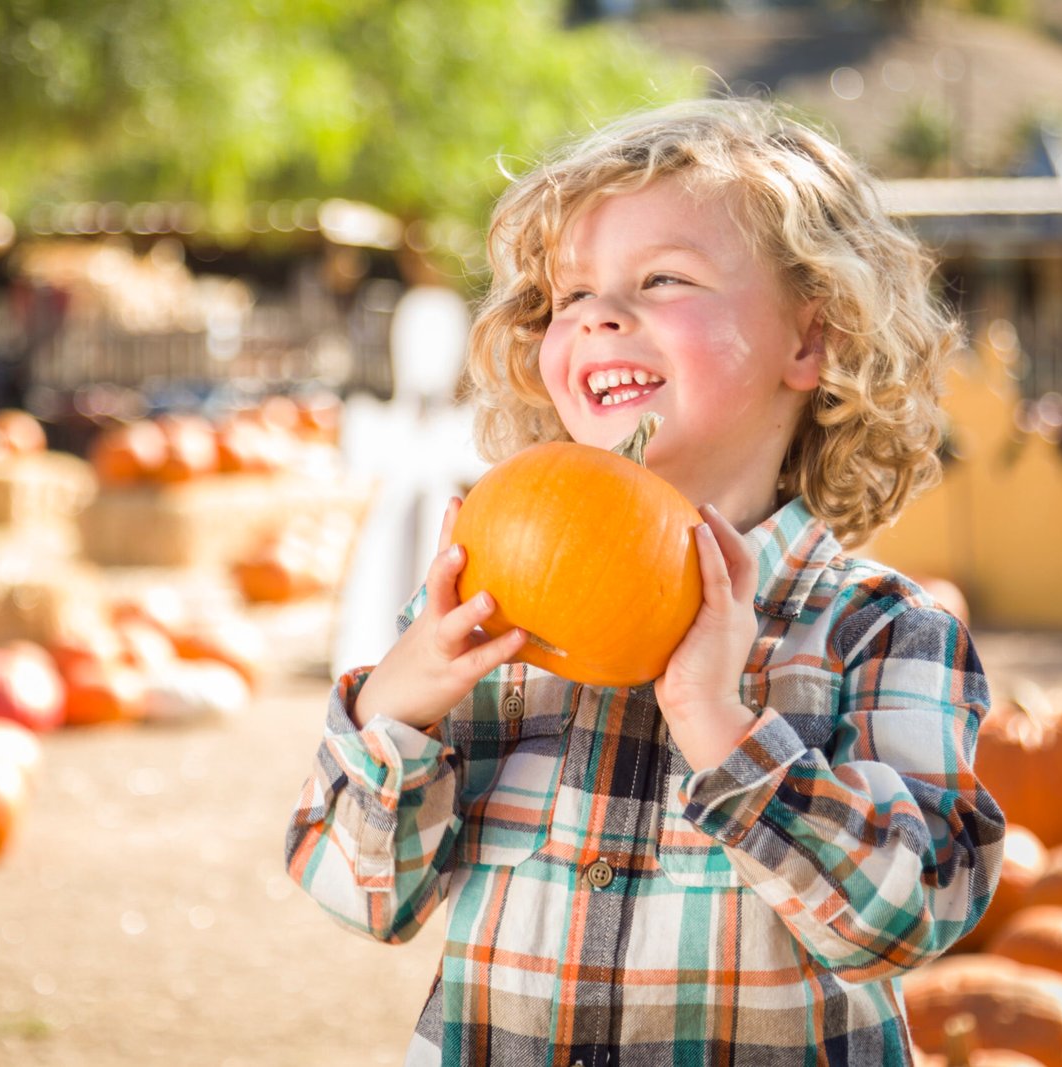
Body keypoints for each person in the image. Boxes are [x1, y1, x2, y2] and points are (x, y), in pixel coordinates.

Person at [284, 98, 1005, 1066]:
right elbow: (361, 895)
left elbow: (906, 916)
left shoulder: (879, 630)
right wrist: (395, 714)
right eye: (566, 295)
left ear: (810, 339)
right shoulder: (484, 613)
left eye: (662, 278)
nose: (597, 315)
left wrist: (721, 724)